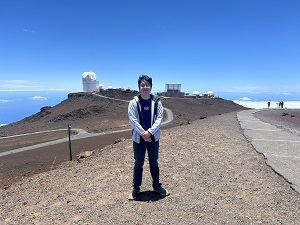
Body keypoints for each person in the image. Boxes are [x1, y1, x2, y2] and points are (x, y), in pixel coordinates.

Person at [128, 75, 169, 200]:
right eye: (142, 85)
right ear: (139, 87)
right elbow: (132, 119)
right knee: (138, 164)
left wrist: (149, 132)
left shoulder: (157, 102)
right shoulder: (134, 102)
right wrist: (143, 133)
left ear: (151, 86)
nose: (145, 87)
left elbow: (159, 119)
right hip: (139, 139)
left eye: (147, 85)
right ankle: (136, 189)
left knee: (154, 163)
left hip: (153, 138)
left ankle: (157, 186)